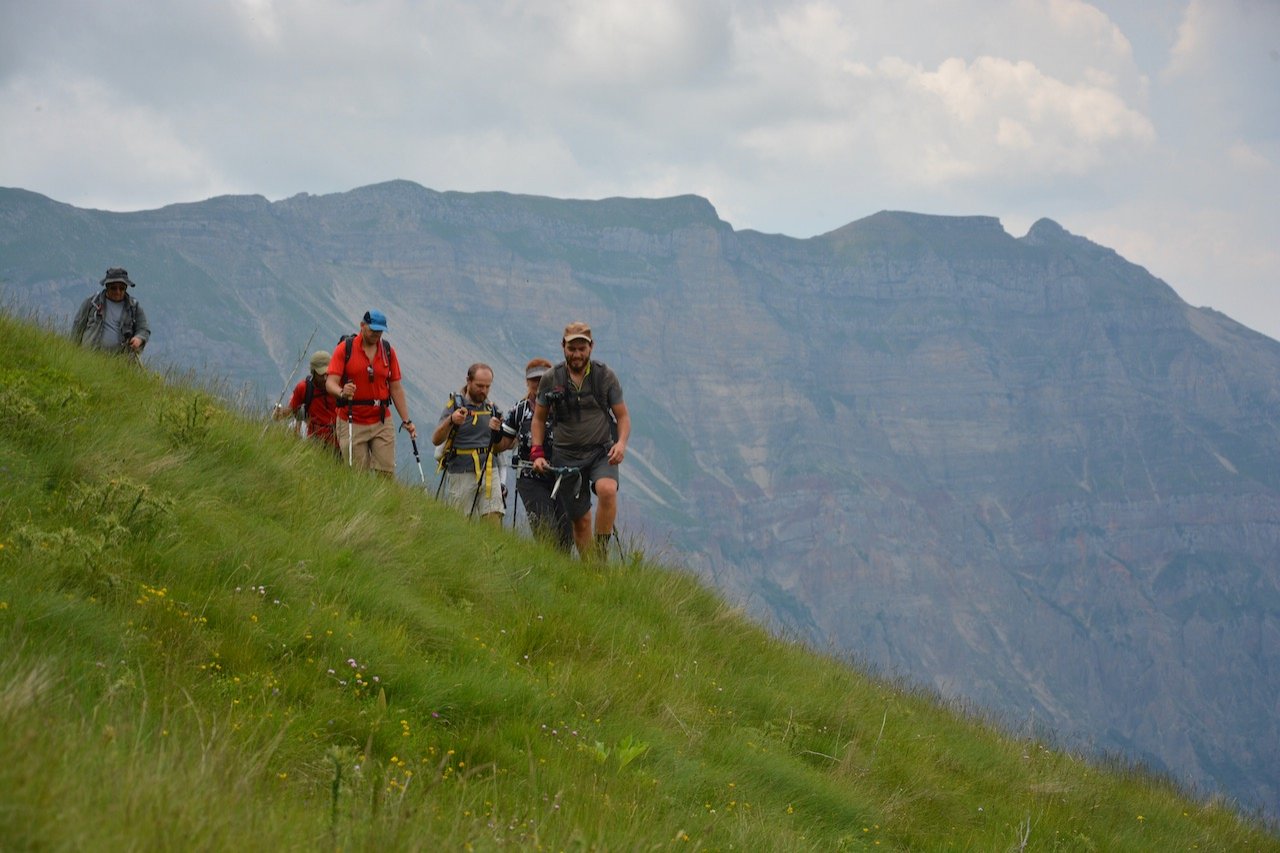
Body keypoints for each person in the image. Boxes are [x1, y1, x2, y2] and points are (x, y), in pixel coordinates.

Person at [531, 322, 630, 559]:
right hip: (566, 456)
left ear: (591, 347)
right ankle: (591, 570)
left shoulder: (605, 376)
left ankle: (601, 552)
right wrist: (537, 452)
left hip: (601, 451)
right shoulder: (550, 378)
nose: (577, 354)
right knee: (581, 521)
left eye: (581, 349)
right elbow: (538, 419)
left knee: (607, 490)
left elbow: (623, 416)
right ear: (563, 347)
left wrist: (621, 443)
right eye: (572, 348)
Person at [324, 309, 417, 475]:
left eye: (380, 331)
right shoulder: (345, 349)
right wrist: (342, 392)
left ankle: (385, 500)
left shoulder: (388, 351)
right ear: (362, 326)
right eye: (372, 329)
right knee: (358, 475)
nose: (376, 334)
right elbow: (330, 383)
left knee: (387, 473)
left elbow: (395, 387)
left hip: (381, 420)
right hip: (351, 418)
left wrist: (406, 420)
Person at [505, 358, 573, 550]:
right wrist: (494, 432)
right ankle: (546, 570)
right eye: (534, 379)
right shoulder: (519, 410)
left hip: (565, 478)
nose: (539, 383)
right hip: (531, 478)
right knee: (546, 531)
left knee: (567, 535)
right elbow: (503, 442)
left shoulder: (567, 408)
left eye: (543, 378)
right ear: (527, 382)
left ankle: (562, 576)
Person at [432, 363, 506, 523]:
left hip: (489, 470)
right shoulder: (455, 406)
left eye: (487, 386)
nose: (484, 391)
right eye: (479, 386)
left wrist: (497, 431)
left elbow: (499, 447)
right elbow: (436, 439)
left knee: (494, 518)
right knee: (460, 522)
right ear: (468, 381)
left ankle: (491, 548)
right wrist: (451, 420)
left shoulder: (492, 409)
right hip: (461, 471)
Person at [72, 267, 151, 355]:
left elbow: (144, 329)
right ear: (107, 286)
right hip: (90, 354)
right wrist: (74, 350)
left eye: (121, 288)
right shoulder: (92, 302)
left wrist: (138, 339)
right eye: (114, 288)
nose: (118, 291)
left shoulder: (134, 307)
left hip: (120, 360)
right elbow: (78, 325)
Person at [273, 350, 339, 451]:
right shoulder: (304, 388)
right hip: (316, 441)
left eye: (327, 373)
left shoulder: (337, 385)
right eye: (321, 374)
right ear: (313, 372)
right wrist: (279, 413)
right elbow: (291, 411)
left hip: (339, 441)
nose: (325, 378)